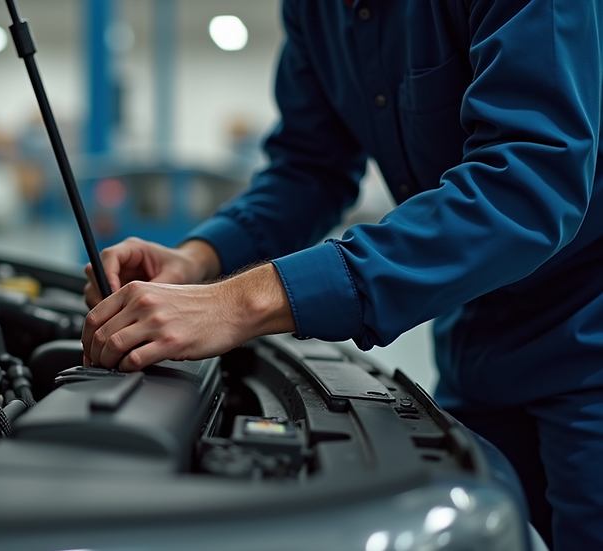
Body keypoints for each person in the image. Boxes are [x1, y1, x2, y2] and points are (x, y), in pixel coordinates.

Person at [80, 2, 603, 549]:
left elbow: (527, 185)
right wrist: (198, 259)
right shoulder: (317, 10)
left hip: (588, 330)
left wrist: (241, 302)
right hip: (479, 338)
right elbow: (310, 168)